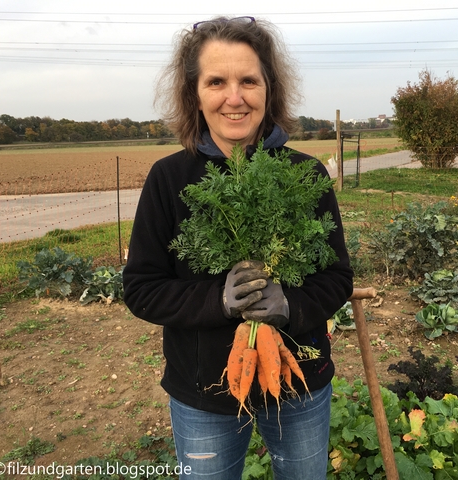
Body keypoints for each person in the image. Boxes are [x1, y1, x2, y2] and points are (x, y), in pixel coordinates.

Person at [122, 15, 354, 479]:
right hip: (203, 390)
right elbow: (142, 289)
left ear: (269, 89)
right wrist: (218, 301)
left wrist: (289, 304)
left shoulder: (306, 175)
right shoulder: (169, 179)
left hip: (299, 380)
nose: (235, 97)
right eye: (216, 81)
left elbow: (337, 278)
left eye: (249, 80)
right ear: (195, 94)